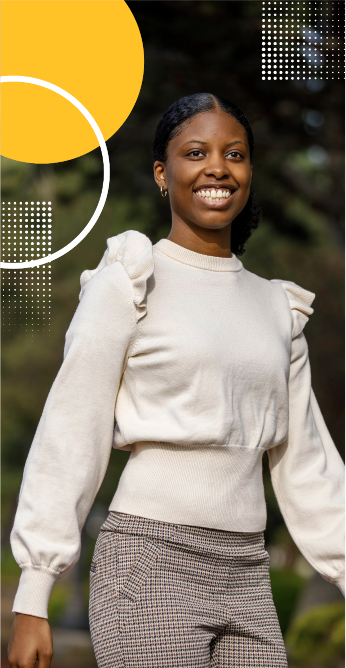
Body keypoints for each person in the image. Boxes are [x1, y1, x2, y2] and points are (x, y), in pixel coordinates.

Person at [7, 93, 346, 668]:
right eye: (196, 152)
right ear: (164, 174)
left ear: (249, 171)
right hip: (147, 559)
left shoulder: (276, 307)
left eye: (234, 153)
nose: (218, 167)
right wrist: (34, 592)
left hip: (246, 569)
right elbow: (71, 427)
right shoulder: (130, 280)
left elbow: (306, 463)